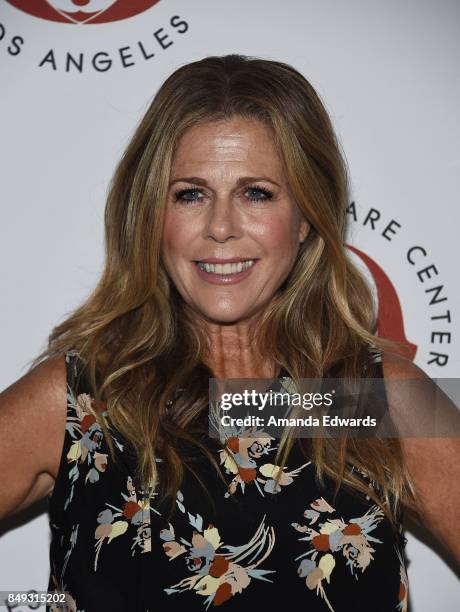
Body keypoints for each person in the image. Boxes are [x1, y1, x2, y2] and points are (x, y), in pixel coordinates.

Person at [0, 54, 458, 612]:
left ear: (308, 215)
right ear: (150, 213)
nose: (220, 227)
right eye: (190, 193)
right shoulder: (82, 403)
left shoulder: (372, 398)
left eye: (256, 193)